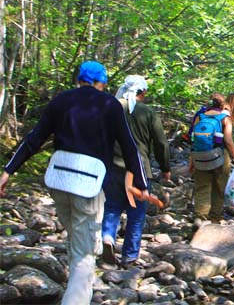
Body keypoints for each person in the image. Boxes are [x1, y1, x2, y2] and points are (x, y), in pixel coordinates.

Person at [0, 61, 148, 305]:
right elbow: (130, 147)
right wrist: (141, 184)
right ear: (101, 82)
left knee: (76, 238)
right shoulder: (109, 105)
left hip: (58, 181)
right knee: (85, 253)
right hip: (88, 184)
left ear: (79, 79)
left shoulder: (61, 100)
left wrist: (8, 171)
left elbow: (34, 138)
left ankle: (72, 288)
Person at [101, 75, 171, 268]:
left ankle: (107, 237)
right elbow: (161, 143)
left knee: (112, 207)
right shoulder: (148, 112)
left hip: (112, 166)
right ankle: (130, 256)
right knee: (136, 214)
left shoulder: (110, 107)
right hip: (140, 169)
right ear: (143, 92)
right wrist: (165, 168)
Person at [190, 92, 234, 224]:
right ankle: (215, 217)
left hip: (200, 155)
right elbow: (228, 141)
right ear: (222, 104)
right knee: (219, 187)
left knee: (202, 186)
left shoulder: (200, 116)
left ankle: (200, 217)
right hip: (219, 156)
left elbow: (193, 139)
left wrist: (192, 159)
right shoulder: (225, 118)